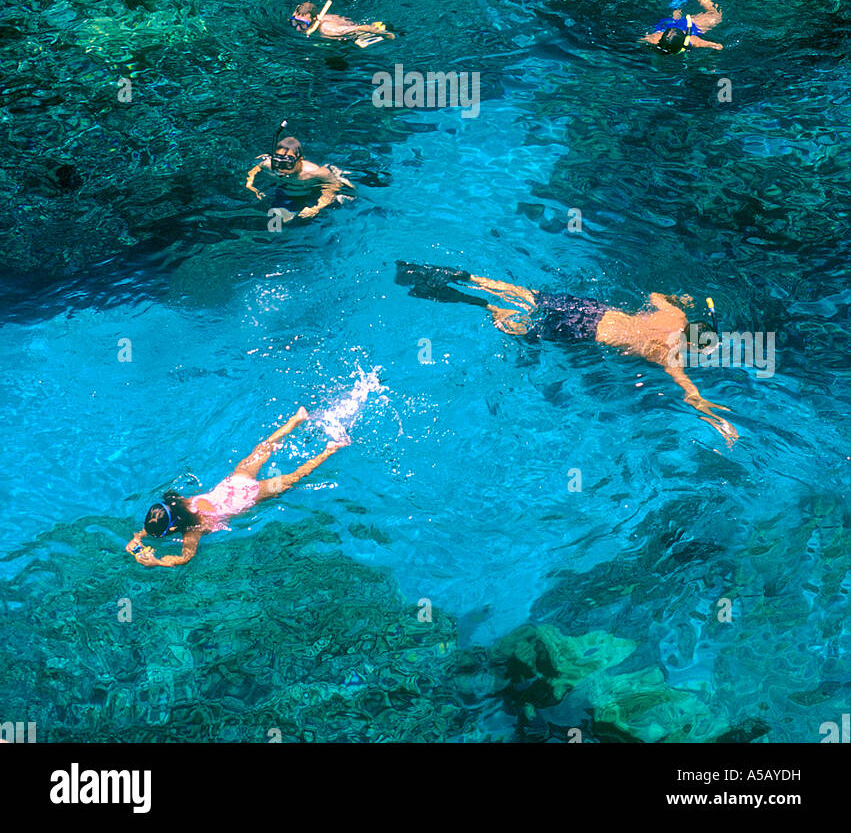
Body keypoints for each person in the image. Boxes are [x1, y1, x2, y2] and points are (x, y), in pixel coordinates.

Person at [395, 263, 737, 444]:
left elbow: (655, 293)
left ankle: (466, 278)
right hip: (584, 333)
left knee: (524, 294)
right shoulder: (666, 356)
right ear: (691, 344)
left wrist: (685, 301)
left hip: (594, 310)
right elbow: (691, 395)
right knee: (519, 327)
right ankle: (485, 307)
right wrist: (719, 421)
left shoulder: (674, 316)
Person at [125, 407, 347, 568]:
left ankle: (329, 450)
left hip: (247, 496)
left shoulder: (193, 531)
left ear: (173, 529)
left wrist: (157, 563)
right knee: (261, 451)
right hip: (234, 483)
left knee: (292, 479)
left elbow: (185, 558)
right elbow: (150, 527)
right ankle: (295, 420)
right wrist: (136, 539)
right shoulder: (179, 503)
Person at [246, 123, 354, 220]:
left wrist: (317, 208)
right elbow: (256, 168)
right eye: (278, 162)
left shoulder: (315, 172)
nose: (281, 168)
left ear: (300, 160)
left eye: (288, 164)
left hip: (313, 189)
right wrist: (250, 184)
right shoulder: (269, 165)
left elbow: (333, 186)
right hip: (288, 189)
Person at [642, 0, 723, 53]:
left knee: (675, 18)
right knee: (716, 16)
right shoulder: (693, 40)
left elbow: (717, 46)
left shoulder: (654, 39)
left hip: (670, 24)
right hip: (681, 24)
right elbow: (717, 46)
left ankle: (679, 4)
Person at [291, 1, 395, 47]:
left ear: (315, 19)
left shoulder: (329, 29)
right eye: (295, 22)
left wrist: (385, 34)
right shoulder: (308, 18)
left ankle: (392, 28)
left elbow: (361, 27)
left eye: (303, 24)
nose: (297, 28)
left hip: (351, 35)